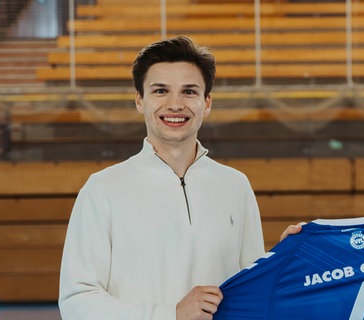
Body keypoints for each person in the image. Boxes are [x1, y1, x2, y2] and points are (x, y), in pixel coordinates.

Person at [58, 35, 301, 320]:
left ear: (206, 102)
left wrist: (286, 258)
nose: (175, 104)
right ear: (140, 100)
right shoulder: (102, 189)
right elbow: (77, 302)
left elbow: (253, 291)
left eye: (189, 91)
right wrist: (171, 314)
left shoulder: (235, 185)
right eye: (160, 91)